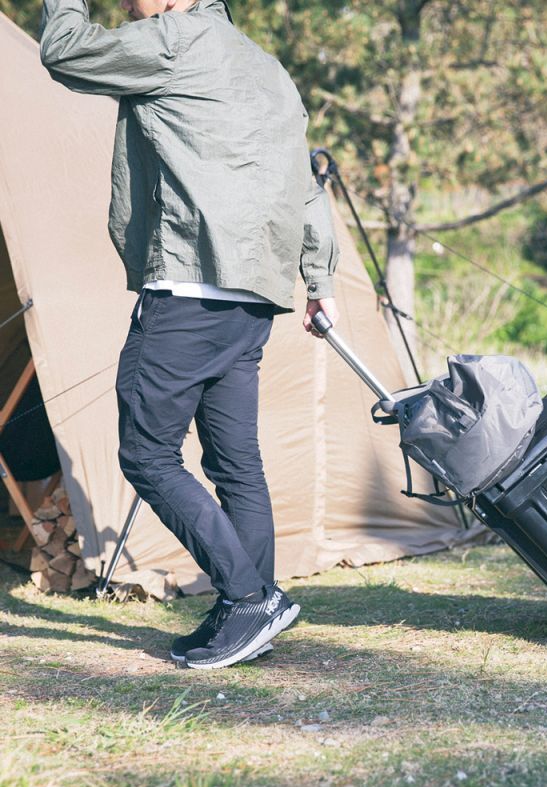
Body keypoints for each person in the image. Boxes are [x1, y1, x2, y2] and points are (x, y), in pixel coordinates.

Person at [39, 0, 340, 669]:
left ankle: (248, 599)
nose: (126, 7)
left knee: (147, 455)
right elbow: (308, 188)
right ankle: (250, 610)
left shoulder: (175, 39)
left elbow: (66, 51)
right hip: (254, 298)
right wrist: (319, 282)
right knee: (237, 464)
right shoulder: (266, 68)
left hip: (190, 287)